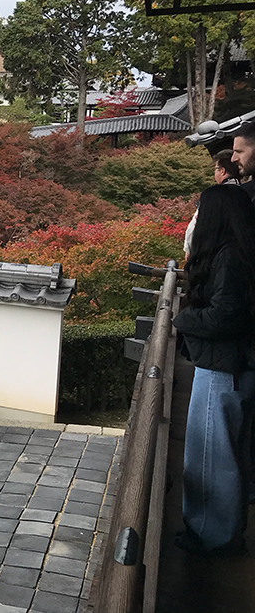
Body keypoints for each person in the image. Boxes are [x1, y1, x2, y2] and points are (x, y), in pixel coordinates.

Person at [172, 184, 255, 556]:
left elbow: (225, 316)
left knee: (211, 456)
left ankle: (210, 536)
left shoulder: (228, 258)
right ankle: (223, 532)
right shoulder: (243, 253)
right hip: (237, 366)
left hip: (223, 367)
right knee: (229, 454)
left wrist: (184, 318)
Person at [183, 149, 242, 257]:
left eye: (216, 169)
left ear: (223, 171)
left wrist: (189, 249)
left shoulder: (215, 196)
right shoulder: (246, 192)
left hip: (216, 256)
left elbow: (195, 227)